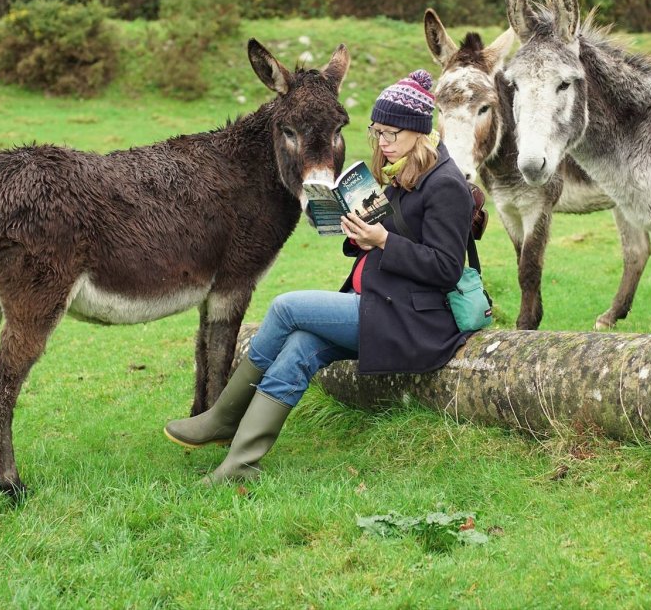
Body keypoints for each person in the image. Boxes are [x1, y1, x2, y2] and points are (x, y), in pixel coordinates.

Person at [163, 69, 477, 484]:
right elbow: (397, 238)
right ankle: (240, 464)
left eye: (392, 134)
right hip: (382, 304)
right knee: (299, 348)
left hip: (414, 321)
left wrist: (384, 240)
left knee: (287, 308)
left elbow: (445, 268)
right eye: (377, 132)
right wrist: (361, 235)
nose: (382, 143)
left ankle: (222, 416)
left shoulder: (446, 185)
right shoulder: (403, 170)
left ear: (419, 131)